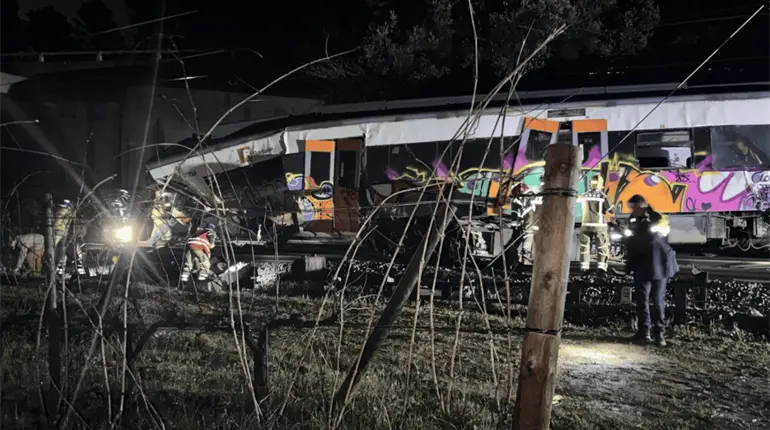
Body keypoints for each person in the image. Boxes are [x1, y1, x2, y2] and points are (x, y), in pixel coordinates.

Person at [625, 194, 678, 347]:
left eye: (634, 207)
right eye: (631, 208)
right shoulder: (633, 219)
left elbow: (654, 238)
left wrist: (634, 237)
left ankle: (659, 334)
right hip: (643, 265)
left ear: (642, 206)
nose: (632, 210)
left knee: (657, 301)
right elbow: (633, 241)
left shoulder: (657, 218)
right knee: (642, 301)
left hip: (658, 265)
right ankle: (644, 332)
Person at [577, 176, 615, 273]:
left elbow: (577, 200)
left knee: (584, 247)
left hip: (585, 226)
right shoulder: (603, 196)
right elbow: (612, 210)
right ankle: (601, 269)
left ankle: (584, 268)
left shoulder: (584, 195)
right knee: (602, 247)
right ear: (601, 185)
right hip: (600, 227)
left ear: (590, 183)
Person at [522, 179, 544, 263]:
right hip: (533, 217)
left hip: (536, 218)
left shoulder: (538, 194)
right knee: (530, 233)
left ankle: (528, 253)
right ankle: (526, 253)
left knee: (531, 234)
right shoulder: (535, 194)